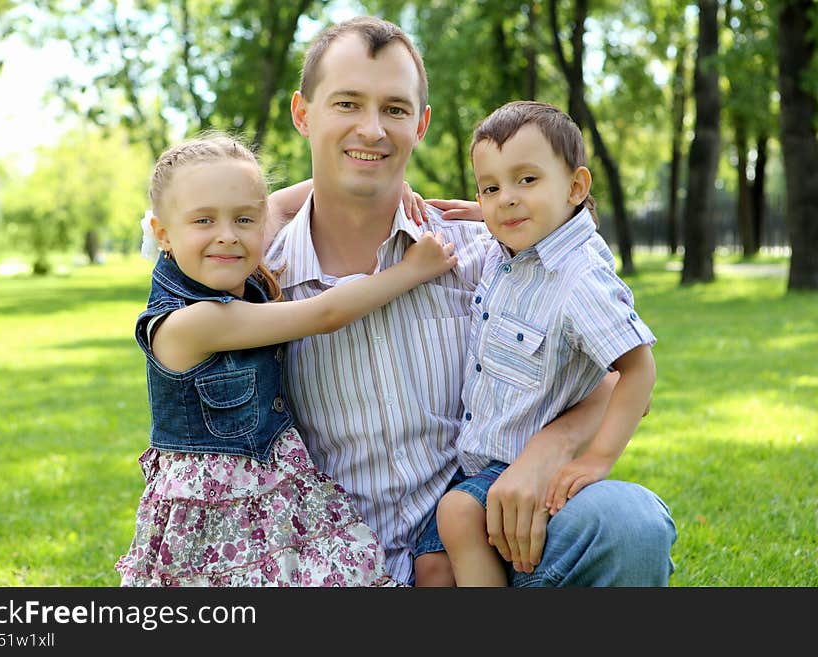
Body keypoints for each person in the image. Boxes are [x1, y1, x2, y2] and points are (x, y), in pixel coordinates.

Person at [265, 15, 676, 587]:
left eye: (395, 109)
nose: (372, 130)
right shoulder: (259, 274)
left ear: (422, 124)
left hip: (481, 547)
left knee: (629, 523)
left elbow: (619, 376)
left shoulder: (488, 253)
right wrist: (272, 207)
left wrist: (547, 449)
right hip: (333, 566)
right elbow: (174, 239)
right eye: (347, 104)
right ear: (302, 114)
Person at [114, 132, 458, 587]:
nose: (227, 236)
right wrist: (411, 270)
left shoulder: (234, 248)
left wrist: (389, 186)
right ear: (162, 233)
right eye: (203, 220)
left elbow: (307, 190)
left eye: (244, 219)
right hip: (215, 519)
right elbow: (325, 313)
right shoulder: (189, 323)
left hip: (274, 494)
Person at [432, 100, 657, 586]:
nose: (507, 199)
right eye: (491, 187)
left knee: (455, 514)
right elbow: (512, 211)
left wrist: (598, 458)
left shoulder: (578, 279)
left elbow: (638, 369)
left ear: (576, 186)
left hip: (519, 466)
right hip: (474, 463)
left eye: (526, 180)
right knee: (431, 562)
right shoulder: (516, 247)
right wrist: (486, 211)